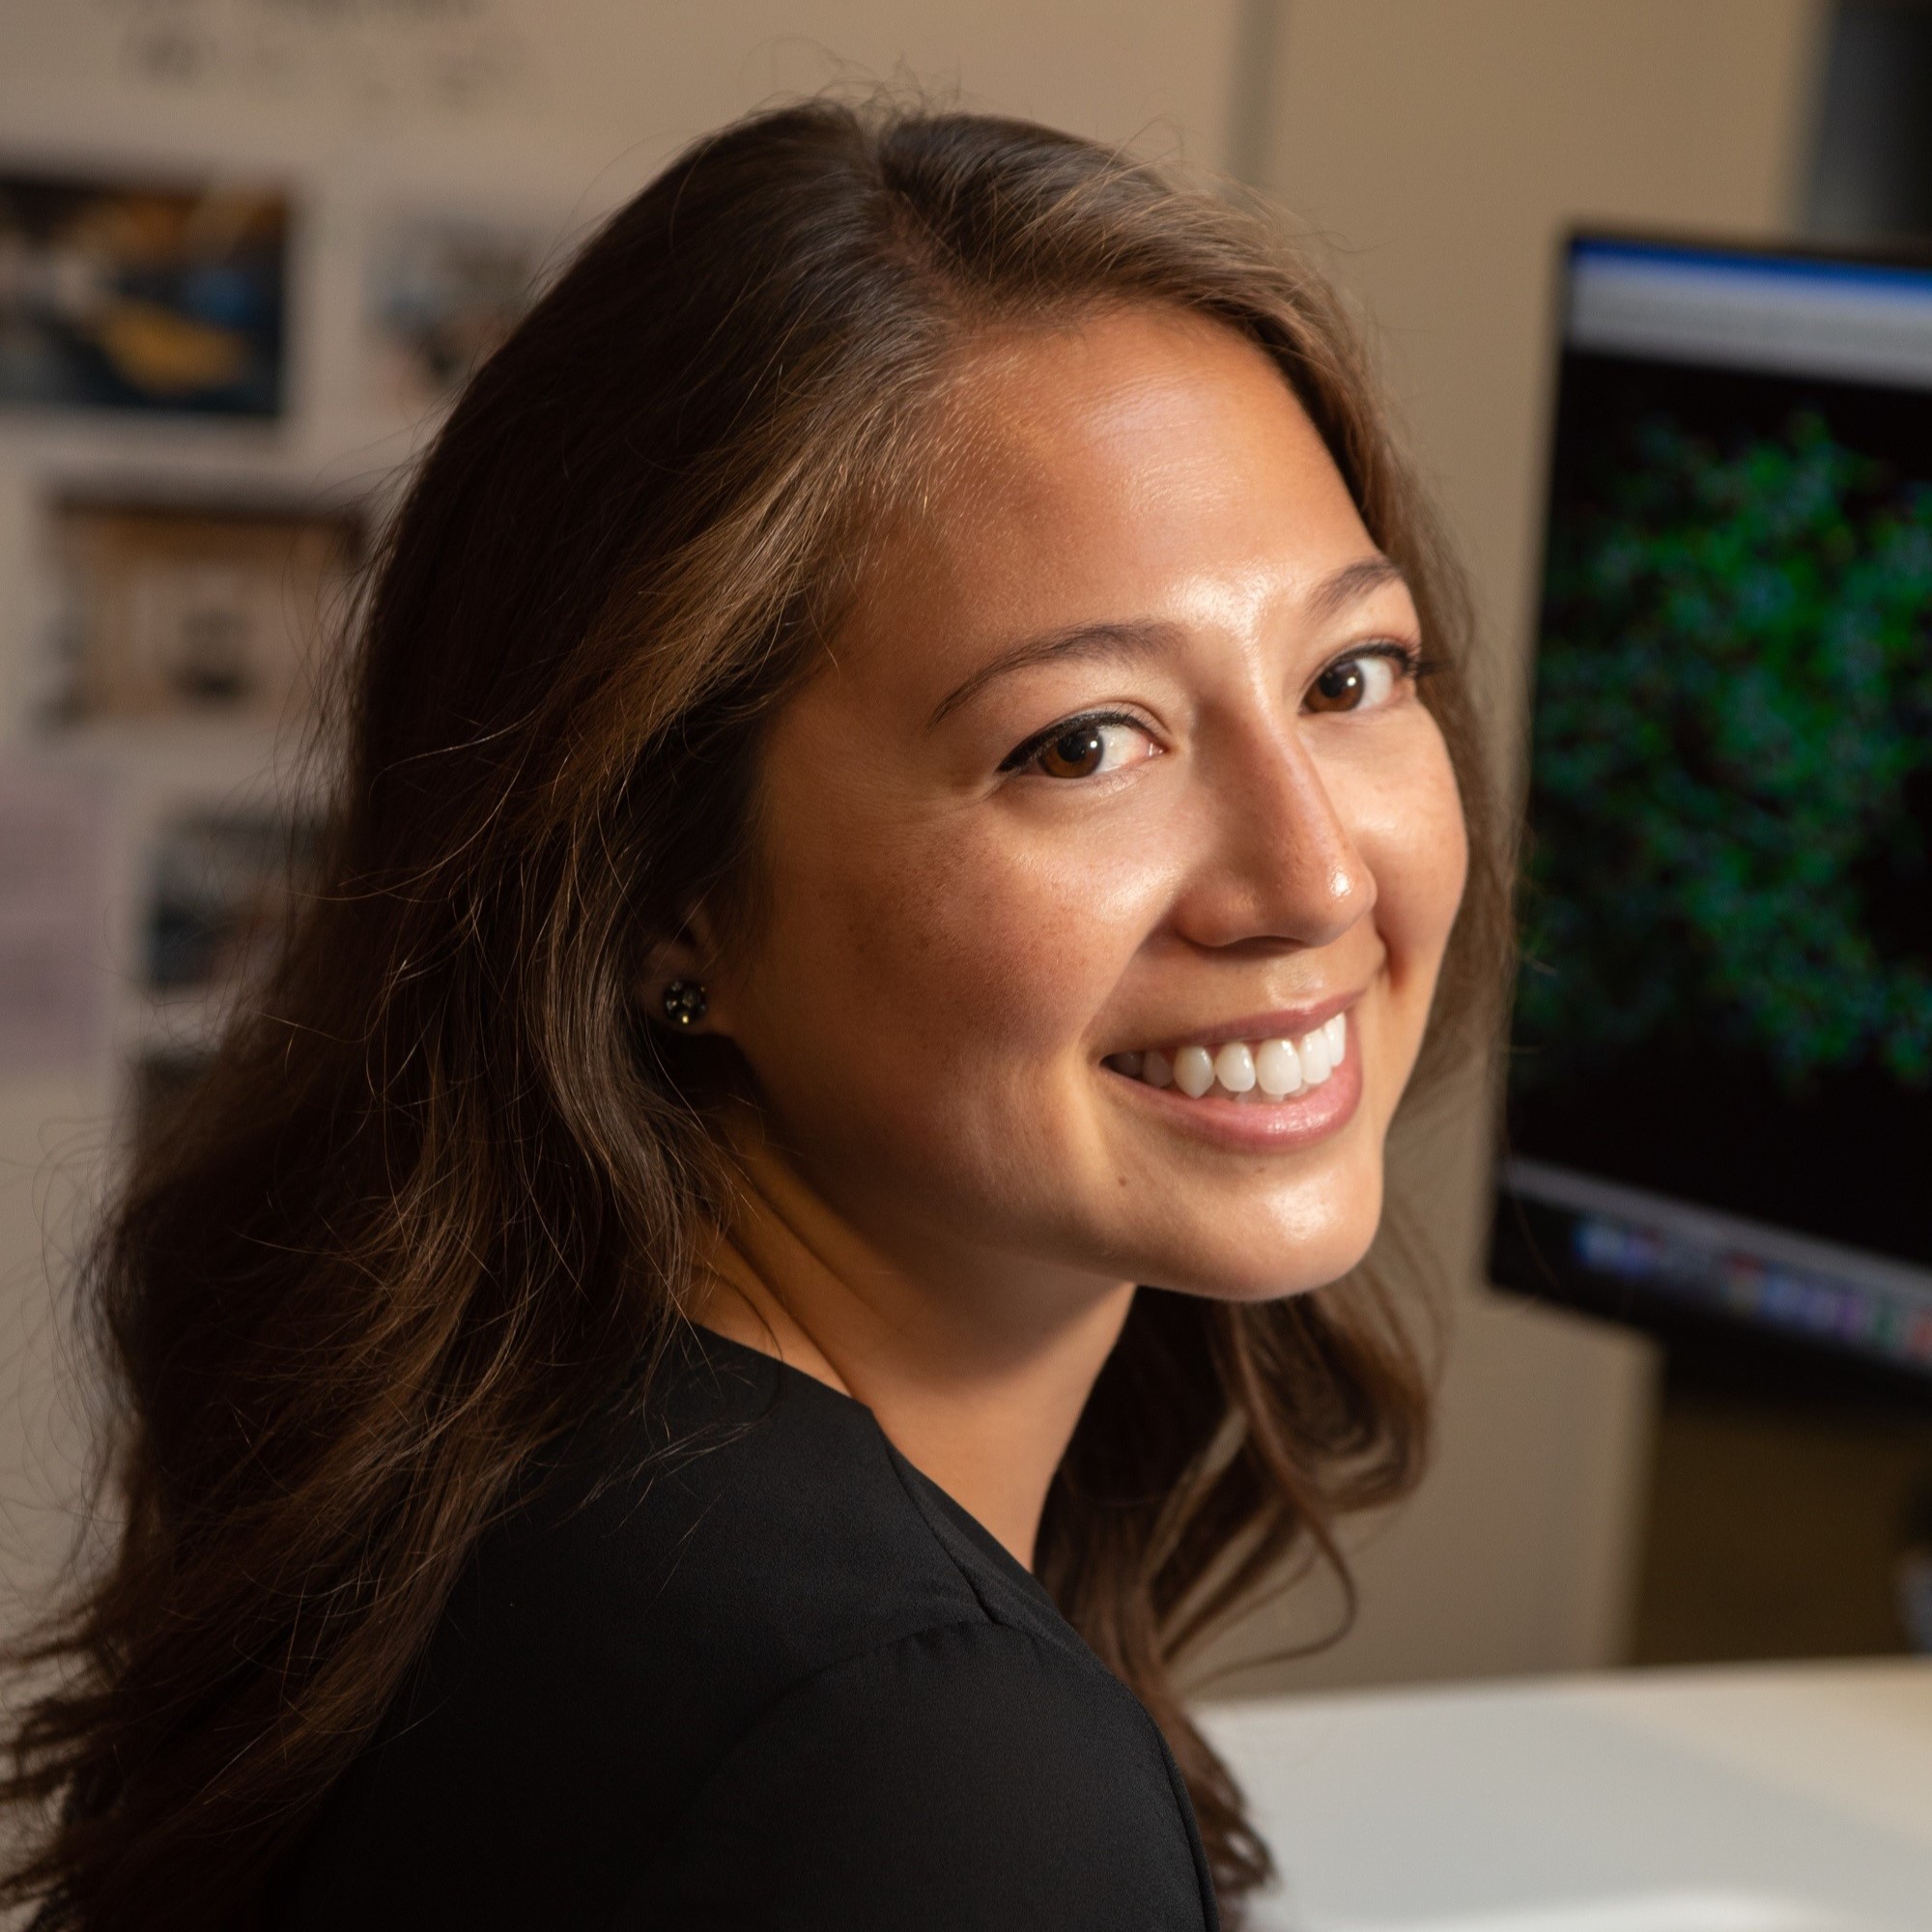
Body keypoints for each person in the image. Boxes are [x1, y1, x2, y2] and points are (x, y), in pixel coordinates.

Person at [1, 99, 1506, 1930]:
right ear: (656, 893)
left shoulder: (520, 1471)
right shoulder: (918, 1759)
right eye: (1085, 743)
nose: (1315, 880)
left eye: (1351, 674)